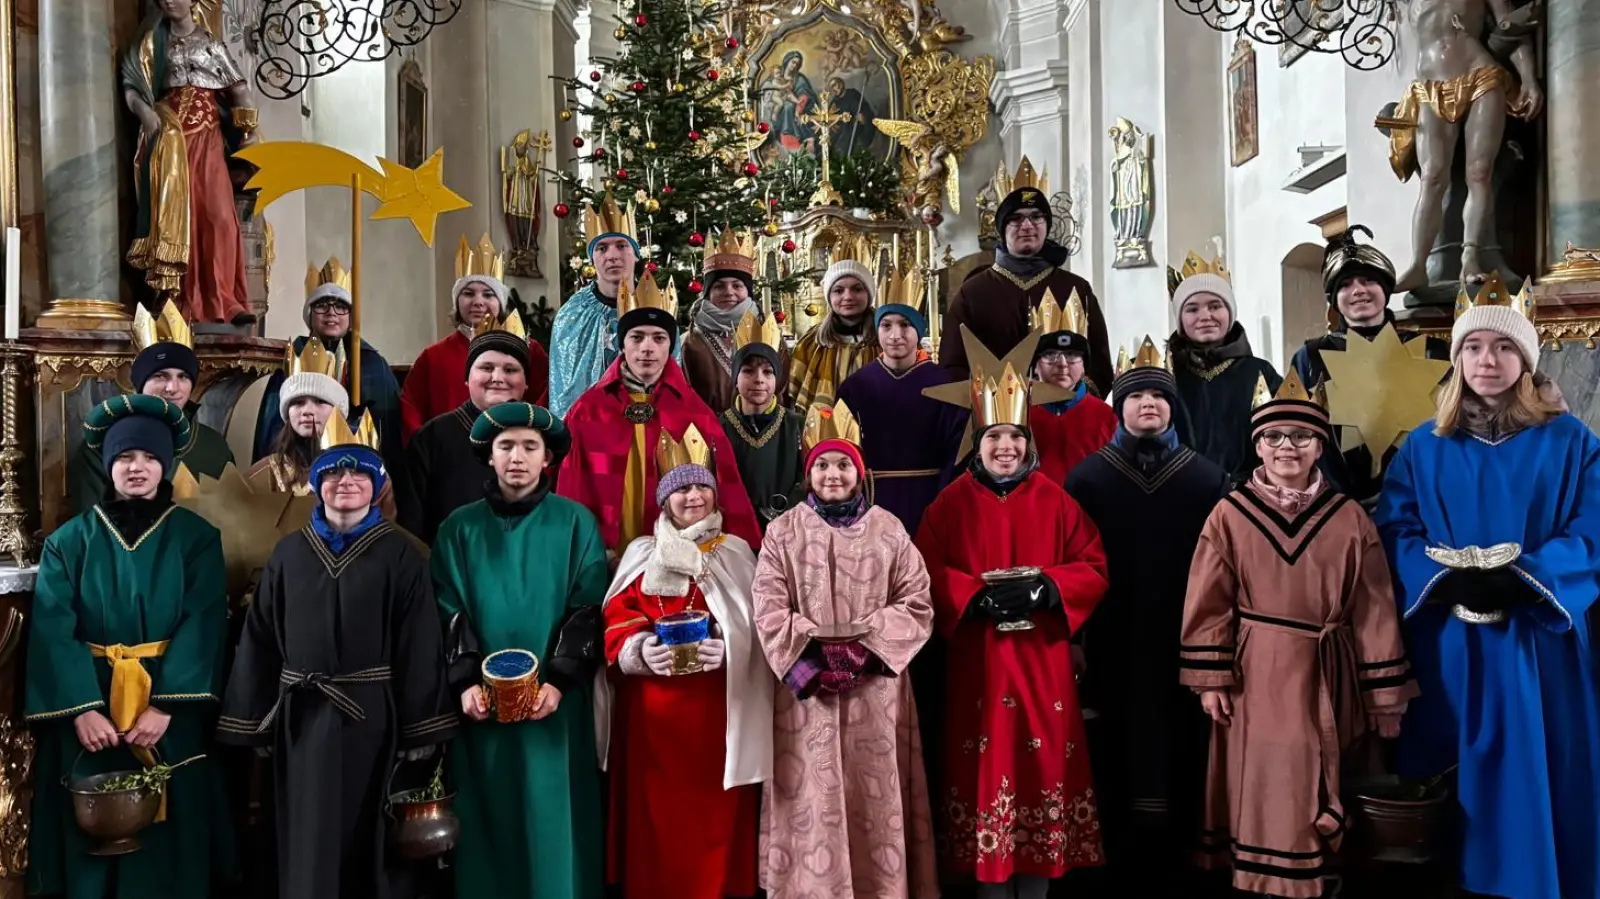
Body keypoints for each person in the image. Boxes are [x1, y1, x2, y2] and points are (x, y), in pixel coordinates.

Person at [1374, 279, 1600, 899]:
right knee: (1451, 771)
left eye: (1503, 348)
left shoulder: (1571, 441)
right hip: (1449, 638)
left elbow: (1592, 525)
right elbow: (1394, 527)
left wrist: (1527, 578)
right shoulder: (1425, 445)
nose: (1487, 361)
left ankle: (1536, 880)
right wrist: (1441, 578)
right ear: (1457, 360)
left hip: (1537, 640)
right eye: (1473, 347)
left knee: (1537, 768)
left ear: (1525, 361)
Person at [1181, 371, 1415, 898]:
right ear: (1257, 445)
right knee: (1269, 776)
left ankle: (1321, 878)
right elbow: (1208, 601)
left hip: (1330, 668)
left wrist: (1384, 695)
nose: (1287, 447)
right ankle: (1265, 878)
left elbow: (1373, 607)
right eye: (1273, 437)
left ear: (1320, 446)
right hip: (1256, 672)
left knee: (1326, 775)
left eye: (1301, 437)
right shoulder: (1230, 514)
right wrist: (1210, 678)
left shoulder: (1349, 517)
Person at [217, 424, 456, 899]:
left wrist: (421, 729)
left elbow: (419, 643)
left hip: (373, 719)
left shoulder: (401, 555)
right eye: (333, 474)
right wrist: (257, 721)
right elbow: (260, 638)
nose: (345, 482)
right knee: (306, 835)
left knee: (368, 835)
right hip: (301, 720)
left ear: (376, 486)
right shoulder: (288, 555)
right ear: (316, 485)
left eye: (359, 475)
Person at [26, 394, 235, 899]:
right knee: (87, 814)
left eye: (147, 458)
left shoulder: (197, 538)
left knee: (169, 829)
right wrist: (82, 711)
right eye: (124, 457)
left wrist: (167, 705)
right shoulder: (69, 542)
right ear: (108, 465)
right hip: (92, 703)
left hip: (166, 706)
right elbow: (54, 628)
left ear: (165, 466)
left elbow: (205, 621)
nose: (136, 468)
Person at [917, 360, 1110, 899]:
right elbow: (923, 569)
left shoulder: (1057, 499)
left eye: (1015, 438)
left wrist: (1046, 588)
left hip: (1042, 660)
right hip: (980, 661)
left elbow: (1093, 566)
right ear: (976, 443)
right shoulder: (950, 503)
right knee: (984, 766)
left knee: (1042, 764)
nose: (1006, 448)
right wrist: (970, 597)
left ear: (1029, 443)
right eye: (994, 437)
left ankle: (1037, 885)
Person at [751, 400, 939, 898]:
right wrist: (808, 660)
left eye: (842, 465)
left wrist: (866, 650)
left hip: (875, 689)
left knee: (873, 795)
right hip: (806, 693)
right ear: (807, 471)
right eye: (821, 465)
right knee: (809, 794)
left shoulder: (889, 529)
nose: (832, 475)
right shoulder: (782, 532)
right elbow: (767, 606)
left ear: (860, 472)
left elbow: (917, 601)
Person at [1064, 337, 1229, 894]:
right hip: (1113, 632)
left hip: (1183, 632)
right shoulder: (1088, 480)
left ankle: (1183, 846)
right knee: (1113, 736)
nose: (1148, 405)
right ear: (1120, 409)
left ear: (1172, 407)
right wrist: (1077, 636)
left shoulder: (1205, 478)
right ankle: (1115, 851)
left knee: (1184, 738)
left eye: (1159, 396)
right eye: (1136, 398)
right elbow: (1072, 561)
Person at [432, 402, 608, 899]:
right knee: (490, 816)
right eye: (505, 446)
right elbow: (449, 608)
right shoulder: (458, 529)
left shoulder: (576, 524)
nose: (517, 457)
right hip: (480, 708)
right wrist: (465, 683)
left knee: (556, 817)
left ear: (548, 458)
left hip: (554, 705)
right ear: (488, 456)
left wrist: (559, 680)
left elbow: (587, 605)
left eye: (530, 447)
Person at [596, 425, 775, 899]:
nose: (692, 496)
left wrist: (730, 647)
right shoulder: (640, 554)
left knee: (716, 823)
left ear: (715, 494)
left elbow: (761, 627)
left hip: (717, 721)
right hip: (652, 727)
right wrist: (637, 648)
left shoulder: (738, 554)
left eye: (701, 487)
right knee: (657, 826)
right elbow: (615, 618)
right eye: (681, 489)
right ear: (663, 499)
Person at [559, 273, 761, 555]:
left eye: (659, 338)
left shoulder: (694, 412)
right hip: (603, 555)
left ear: (670, 345)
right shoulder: (587, 410)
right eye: (637, 337)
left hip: (677, 556)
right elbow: (570, 488)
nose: (647, 348)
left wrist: (745, 550)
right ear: (623, 344)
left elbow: (727, 485)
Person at [1289, 227, 1449, 506]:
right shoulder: (1312, 356)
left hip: (1421, 500)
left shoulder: (1432, 350)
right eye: (1346, 284)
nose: (1358, 291)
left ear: (1385, 290)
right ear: (1335, 299)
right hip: (1337, 503)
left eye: (1368, 281)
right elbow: (1297, 429)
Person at [121, 0, 256, 324]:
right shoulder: (151, 43)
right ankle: (176, 297)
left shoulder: (211, 45)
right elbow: (132, 86)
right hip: (170, 140)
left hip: (207, 138)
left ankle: (225, 298)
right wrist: (146, 114)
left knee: (219, 217)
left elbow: (239, 89)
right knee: (179, 217)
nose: (171, 0)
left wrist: (248, 132)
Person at [940, 172, 1112, 390]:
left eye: (1036, 216)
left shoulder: (1076, 288)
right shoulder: (973, 293)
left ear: (1047, 225)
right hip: (994, 419)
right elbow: (952, 365)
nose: (1027, 225)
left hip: (1064, 417)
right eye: (1016, 218)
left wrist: (1072, 402)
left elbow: (1100, 363)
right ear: (1002, 229)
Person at [69, 302, 234, 514]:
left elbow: (231, 523)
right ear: (140, 383)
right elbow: (89, 530)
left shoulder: (214, 447)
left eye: (183, 377)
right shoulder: (100, 447)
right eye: (160, 376)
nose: (173, 388)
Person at [836, 275, 963, 537]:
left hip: (931, 500)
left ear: (919, 331)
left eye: (905, 325)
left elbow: (957, 452)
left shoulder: (946, 385)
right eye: (886, 325)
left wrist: (943, 500)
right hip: (871, 502)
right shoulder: (855, 387)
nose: (895, 335)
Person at [253, 258, 405, 469]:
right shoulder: (293, 360)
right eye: (322, 305)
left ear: (351, 316)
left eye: (340, 306)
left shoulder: (372, 363)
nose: (331, 312)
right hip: (297, 467)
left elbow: (388, 430)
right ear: (310, 313)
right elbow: (272, 429)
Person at [400, 234, 550, 442]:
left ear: (501, 303)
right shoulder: (433, 357)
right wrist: (427, 450)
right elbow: (411, 411)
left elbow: (544, 402)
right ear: (457, 302)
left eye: (488, 295)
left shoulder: (530, 350)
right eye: (468, 293)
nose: (478, 302)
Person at [399, 313, 531, 544]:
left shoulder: (542, 437)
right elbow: (411, 528)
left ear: (526, 382)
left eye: (510, 370)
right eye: (487, 368)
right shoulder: (431, 439)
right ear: (467, 379)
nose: (498, 378)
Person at [1167, 252, 1281, 480]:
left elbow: (1282, 435)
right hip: (1182, 494)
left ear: (1230, 312)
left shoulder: (1259, 372)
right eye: (1192, 309)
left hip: (1250, 495)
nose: (1205, 316)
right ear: (1180, 319)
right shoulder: (1166, 377)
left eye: (1215, 305)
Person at [550, 193, 639, 417]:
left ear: (635, 254)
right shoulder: (572, 315)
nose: (612, 256)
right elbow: (564, 391)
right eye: (602, 248)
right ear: (592, 258)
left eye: (621, 245)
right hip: (588, 430)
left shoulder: (655, 305)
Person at [719, 312, 806, 530]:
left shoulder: (796, 425)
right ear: (735, 378)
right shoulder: (719, 427)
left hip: (789, 528)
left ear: (777, 379)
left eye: (767, 372)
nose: (758, 379)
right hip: (735, 531)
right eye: (748, 371)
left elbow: (807, 479)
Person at [1028, 287, 1117, 485]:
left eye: (1072, 355)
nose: (1062, 364)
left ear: (1085, 366)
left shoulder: (1106, 418)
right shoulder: (1018, 414)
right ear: (1035, 365)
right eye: (1050, 355)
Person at [247, 340, 348, 496]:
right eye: (298, 403)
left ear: (338, 411)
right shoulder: (265, 472)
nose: (307, 411)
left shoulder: (361, 471)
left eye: (320, 401)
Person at [787, 257, 881, 411]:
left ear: (869, 294)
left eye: (857, 289)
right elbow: (793, 394)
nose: (848, 297)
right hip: (824, 427)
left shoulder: (888, 338)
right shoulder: (811, 342)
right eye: (838, 290)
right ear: (829, 297)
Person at [681, 230, 760, 412]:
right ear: (708, 293)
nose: (729, 292)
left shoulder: (766, 334)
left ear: (748, 291)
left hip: (759, 433)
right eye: (719, 286)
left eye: (737, 285)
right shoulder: (689, 342)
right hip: (704, 433)